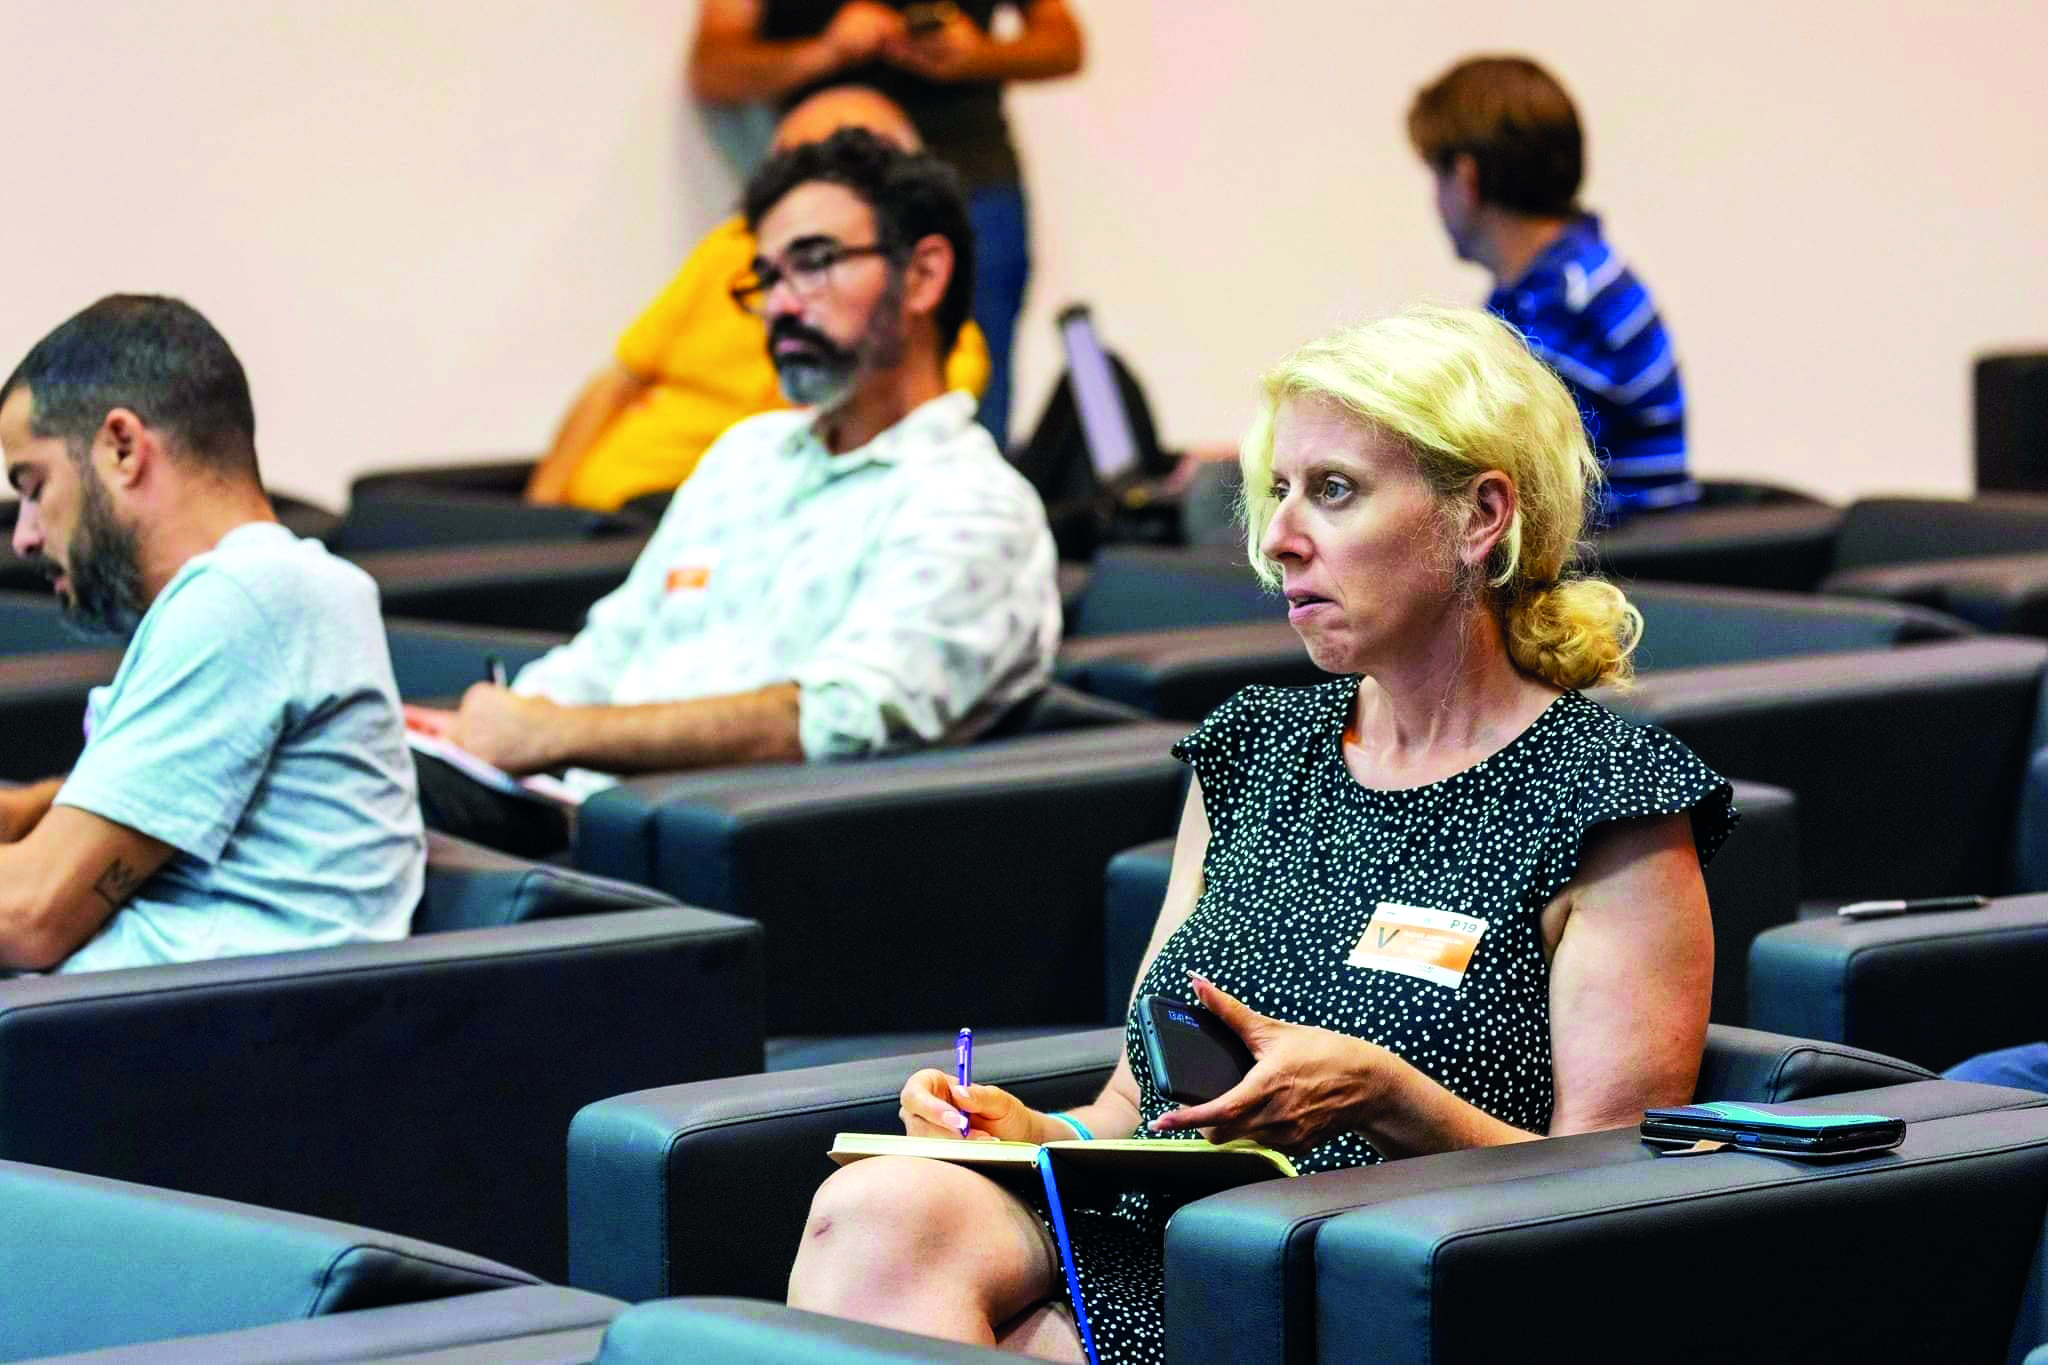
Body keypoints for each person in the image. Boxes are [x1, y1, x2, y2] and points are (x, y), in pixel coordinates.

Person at [784, 305, 1736, 1360]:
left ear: (1479, 517)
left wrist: (1389, 1097)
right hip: (1167, 1227)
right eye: (1277, 491)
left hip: (1365, 1268)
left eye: (1331, 492)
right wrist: (1039, 1137)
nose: (1279, 537)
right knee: (872, 1210)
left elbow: (1609, 1198)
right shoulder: (1253, 751)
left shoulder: (1608, 796)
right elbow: (1132, 1104)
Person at [410, 128, 1060, 858]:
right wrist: (483, 728)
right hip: (570, 804)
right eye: (767, 279)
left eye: (813, 265)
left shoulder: (971, 502)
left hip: (706, 853)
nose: (782, 304)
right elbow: (612, 645)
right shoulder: (747, 455)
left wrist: (546, 734)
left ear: (923, 276)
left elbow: (833, 721)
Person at [0, 296, 423, 974]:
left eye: (33, 484)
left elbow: (29, 915)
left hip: (169, 1044)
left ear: (122, 447)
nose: (23, 536)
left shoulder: (245, 597)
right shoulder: (260, 593)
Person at [525, 84, 992, 512]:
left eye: (835, 168)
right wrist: (534, 523)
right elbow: (617, 380)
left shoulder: (930, 360)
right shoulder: (731, 251)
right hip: (598, 512)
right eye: (786, 166)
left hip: (699, 516)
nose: (780, 304)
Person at [689, 0, 1086, 450]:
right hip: (826, 202)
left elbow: (1066, 44)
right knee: (817, 392)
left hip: (974, 186)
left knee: (972, 402)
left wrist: (976, 54)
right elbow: (712, 67)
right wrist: (825, 52)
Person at [1409, 56, 1698, 519]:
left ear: (1466, 179)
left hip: (1612, 568)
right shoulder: (1544, 290)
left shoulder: (1571, 304)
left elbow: (1498, 468)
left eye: (1435, 177)